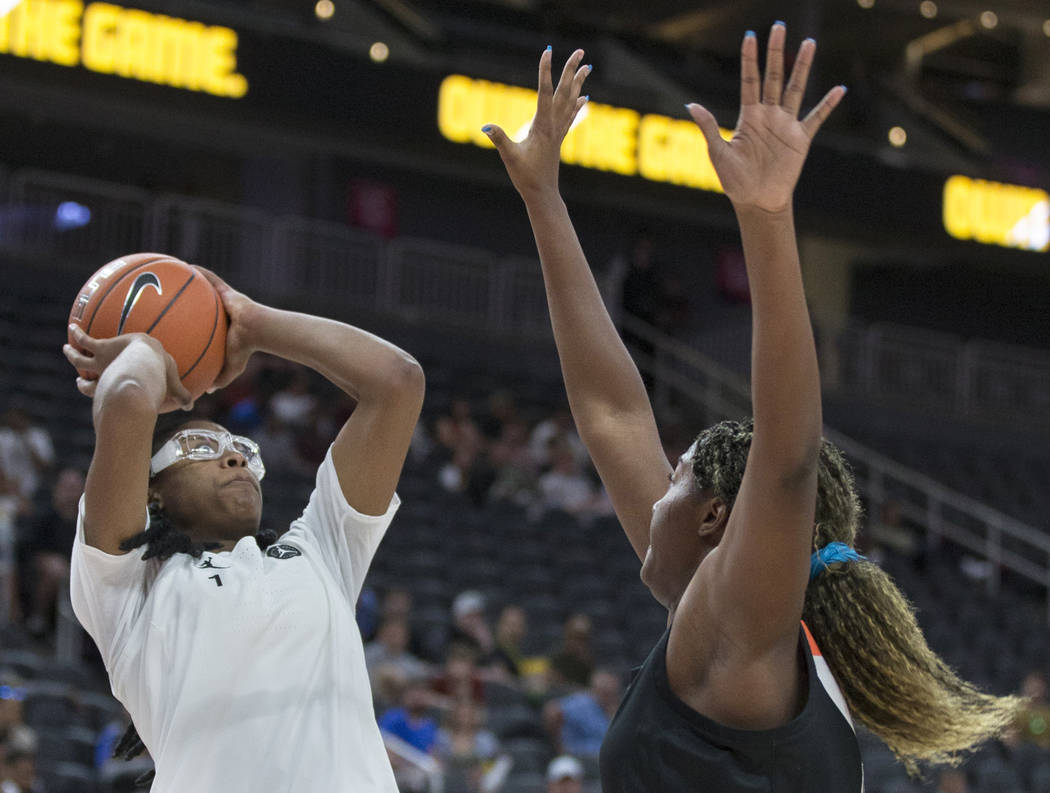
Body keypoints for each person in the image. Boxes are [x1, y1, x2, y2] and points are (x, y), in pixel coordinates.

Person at [483, 29, 1022, 791]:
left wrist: (767, 218)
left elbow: (787, 456)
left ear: (714, 518)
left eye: (676, 479)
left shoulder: (738, 622)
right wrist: (543, 197)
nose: (655, 489)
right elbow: (612, 413)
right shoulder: (721, 619)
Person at [61, 266, 425, 791]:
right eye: (201, 448)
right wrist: (147, 347)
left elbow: (397, 382)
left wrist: (253, 325)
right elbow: (125, 401)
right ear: (151, 491)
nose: (233, 457)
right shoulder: (130, 586)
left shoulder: (321, 551)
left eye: (241, 451)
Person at [17, 467, 84, 637]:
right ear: (57, 488)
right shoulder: (42, 515)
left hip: (75, 569)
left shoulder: (84, 523)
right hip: (41, 567)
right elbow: (27, 549)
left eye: (74, 488)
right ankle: (37, 618)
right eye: (66, 487)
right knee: (56, 568)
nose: (70, 493)